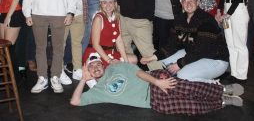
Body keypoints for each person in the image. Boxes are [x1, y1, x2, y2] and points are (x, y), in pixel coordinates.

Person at [70, 53, 244, 114]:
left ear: (103, 64)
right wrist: (84, 80)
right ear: (90, 73)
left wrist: (157, 82)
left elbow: (138, 72)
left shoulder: (116, 67)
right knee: (193, 107)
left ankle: (222, 89)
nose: (96, 67)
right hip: (152, 102)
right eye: (92, 67)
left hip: (151, 82)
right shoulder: (97, 91)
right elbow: (75, 101)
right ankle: (223, 101)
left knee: (190, 87)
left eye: (98, 64)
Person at [142, 0, 229, 83]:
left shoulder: (206, 20)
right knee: (163, 62)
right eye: (185, 1)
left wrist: (179, 64)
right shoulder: (180, 20)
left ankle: (215, 86)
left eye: (191, 0)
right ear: (182, 4)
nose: (188, 3)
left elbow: (201, 50)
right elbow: (172, 44)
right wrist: (152, 58)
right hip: (194, 54)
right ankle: (187, 81)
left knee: (183, 75)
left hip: (215, 59)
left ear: (198, 2)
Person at [216, 0, 249, 83]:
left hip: (238, 9)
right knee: (230, 43)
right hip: (227, 8)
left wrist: (228, 14)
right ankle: (234, 73)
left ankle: (242, 76)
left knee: (240, 44)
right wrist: (219, 10)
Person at [83, 0, 137, 68]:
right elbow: (95, 45)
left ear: (115, 4)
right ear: (101, 4)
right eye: (104, 2)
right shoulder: (98, 18)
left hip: (110, 53)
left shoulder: (116, 18)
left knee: (133, 59)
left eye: (110, 2)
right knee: (104, 72)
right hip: (96, 54)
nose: (108, 5)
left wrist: (126, 61)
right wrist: (109, 60)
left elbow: (119, 41)